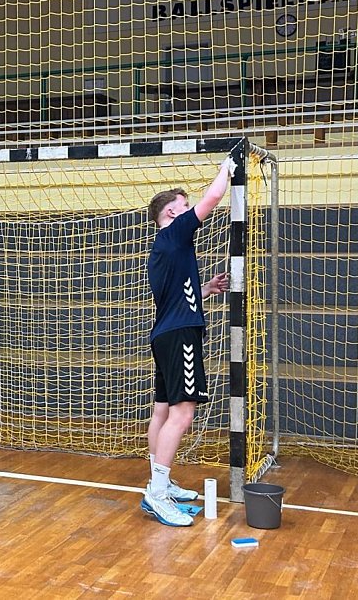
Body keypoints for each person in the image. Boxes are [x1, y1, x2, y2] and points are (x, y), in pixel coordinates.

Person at [140, 156, 236, 526]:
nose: (189, 211)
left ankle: (159, 482)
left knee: (162, 411)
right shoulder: (174, 233)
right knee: (183, 413)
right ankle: (158, 494)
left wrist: (206, 289)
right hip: (180, 336)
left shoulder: (166, 248)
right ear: (169, 214)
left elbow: (176, 295)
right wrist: (228, 168)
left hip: (166, 333)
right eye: (182, 207)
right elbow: (211, 200)